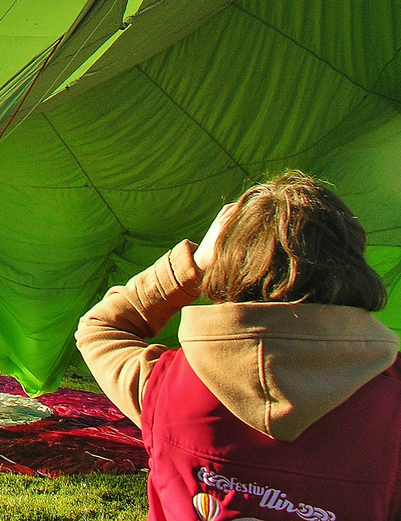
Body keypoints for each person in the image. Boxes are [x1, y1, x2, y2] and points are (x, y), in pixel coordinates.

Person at [76, 171, 400, 521]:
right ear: (351, 267)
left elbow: (99, 327)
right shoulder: (392, 400)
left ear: (227, 264)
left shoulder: (163, 386)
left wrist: (193, 265)